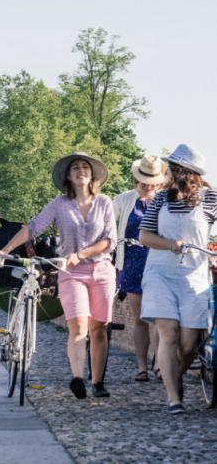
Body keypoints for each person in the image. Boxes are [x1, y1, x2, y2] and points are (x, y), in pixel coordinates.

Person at [0, 152, 117, 399]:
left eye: (85, 167)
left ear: (92, 175)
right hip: (70, 273)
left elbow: (110, 241)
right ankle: (78, 378)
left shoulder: (104, 203)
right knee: (78, 326)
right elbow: (33, 227)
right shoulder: (59, 204)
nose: (81, 170)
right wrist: (5, 250)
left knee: (100, 328)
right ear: (69, 177)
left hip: (102, 271)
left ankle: (98, 381)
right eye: (76, 168)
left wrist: (81, 254)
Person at [139, 144, 217, 414]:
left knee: (187, 344)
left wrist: (214, 254)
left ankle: (175, 375)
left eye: (176, 168)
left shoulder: (211, 198)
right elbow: (144, 237)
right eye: (172, 168)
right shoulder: (161, 198)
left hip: (194, 277)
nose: (172, 172)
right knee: (168, 334)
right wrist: (170, 243)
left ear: (191, 173)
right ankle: (174, 398)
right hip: (160, 273)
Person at [113, 156, 167, 382]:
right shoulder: (124, 200)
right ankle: (142, 366)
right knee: (140, 318)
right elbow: (108, 226)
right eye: (144, 182)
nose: (148, 187)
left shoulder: (164, 202)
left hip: (157, 262)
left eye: (152, 183)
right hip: (132, 262)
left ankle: (160, 363)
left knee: (159, 318)